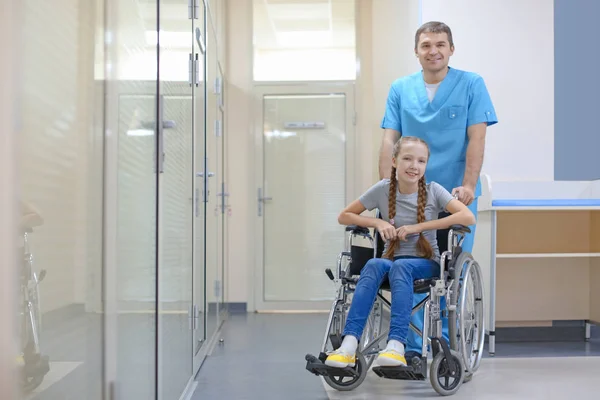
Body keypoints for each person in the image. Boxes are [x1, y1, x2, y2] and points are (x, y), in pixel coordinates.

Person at [378, 21, 498, 360]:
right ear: (416, 51)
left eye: (440, 45)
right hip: (410, 196)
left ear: (451, 49)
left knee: (447, 274)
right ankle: (411, 347)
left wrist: (470, 186)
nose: (434, 51)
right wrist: (389, 188)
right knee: (409, 267)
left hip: (454, 198)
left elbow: (477, 138)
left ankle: (445, 345)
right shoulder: (401, 88)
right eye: (426, 45)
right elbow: (389, 139)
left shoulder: (471, 84)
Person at [325, 136, 475, 368]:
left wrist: (419, 227)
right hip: (391, 261)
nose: (414, 166)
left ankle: (396, 345)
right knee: (374, 264)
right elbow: (344, 215)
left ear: (426, 165)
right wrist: (378, 224)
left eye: (421, 161)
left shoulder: (433, 190)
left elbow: (468, 216)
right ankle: (349, 345)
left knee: (401, 266)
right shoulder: (383, 189)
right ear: (394, 161)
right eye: (407, 159)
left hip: (426, 262)